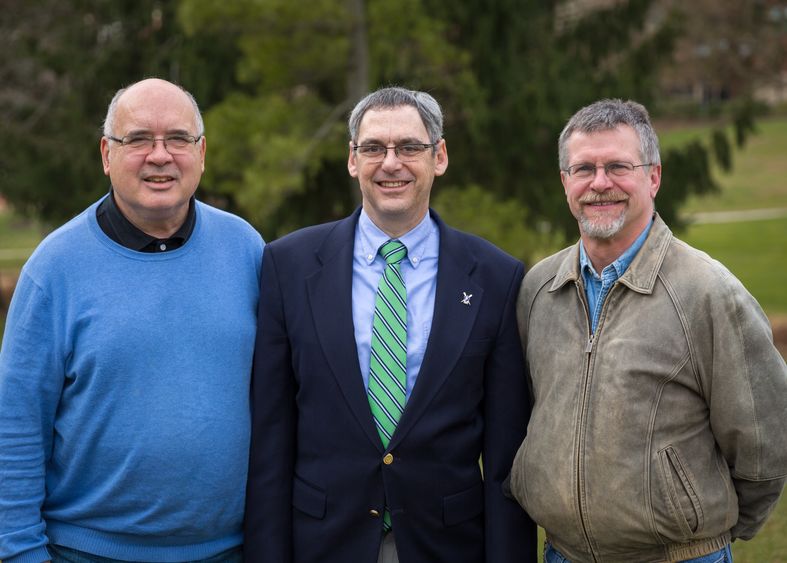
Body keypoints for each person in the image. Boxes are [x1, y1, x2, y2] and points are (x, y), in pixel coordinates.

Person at [243, 86, 537, 563]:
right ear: (352, 160)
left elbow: (505, 457)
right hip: (322, 543)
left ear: (439, 157)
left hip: (446, 545)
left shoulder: (496, 277)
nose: (391, 163)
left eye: (410, 147)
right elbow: (271, 440)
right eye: (374, 147)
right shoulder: (288, 266)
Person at [507, 98, 787, 562]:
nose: (600, 183)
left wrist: (705, 533)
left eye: (618, 166)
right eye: (583, 169)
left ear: (653, 176)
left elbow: (766, 442)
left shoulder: (707, 292)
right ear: (565, 182)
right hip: (563, 555)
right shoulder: (538, 289)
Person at [0, 78, 264, 563]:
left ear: (201, 153)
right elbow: (15, 428)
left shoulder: (245, 249)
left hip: (231, 552)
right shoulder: (54, 268)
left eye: (178, 139)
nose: (159, 156)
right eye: (138, 139)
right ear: (106, 153)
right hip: (85, 553)